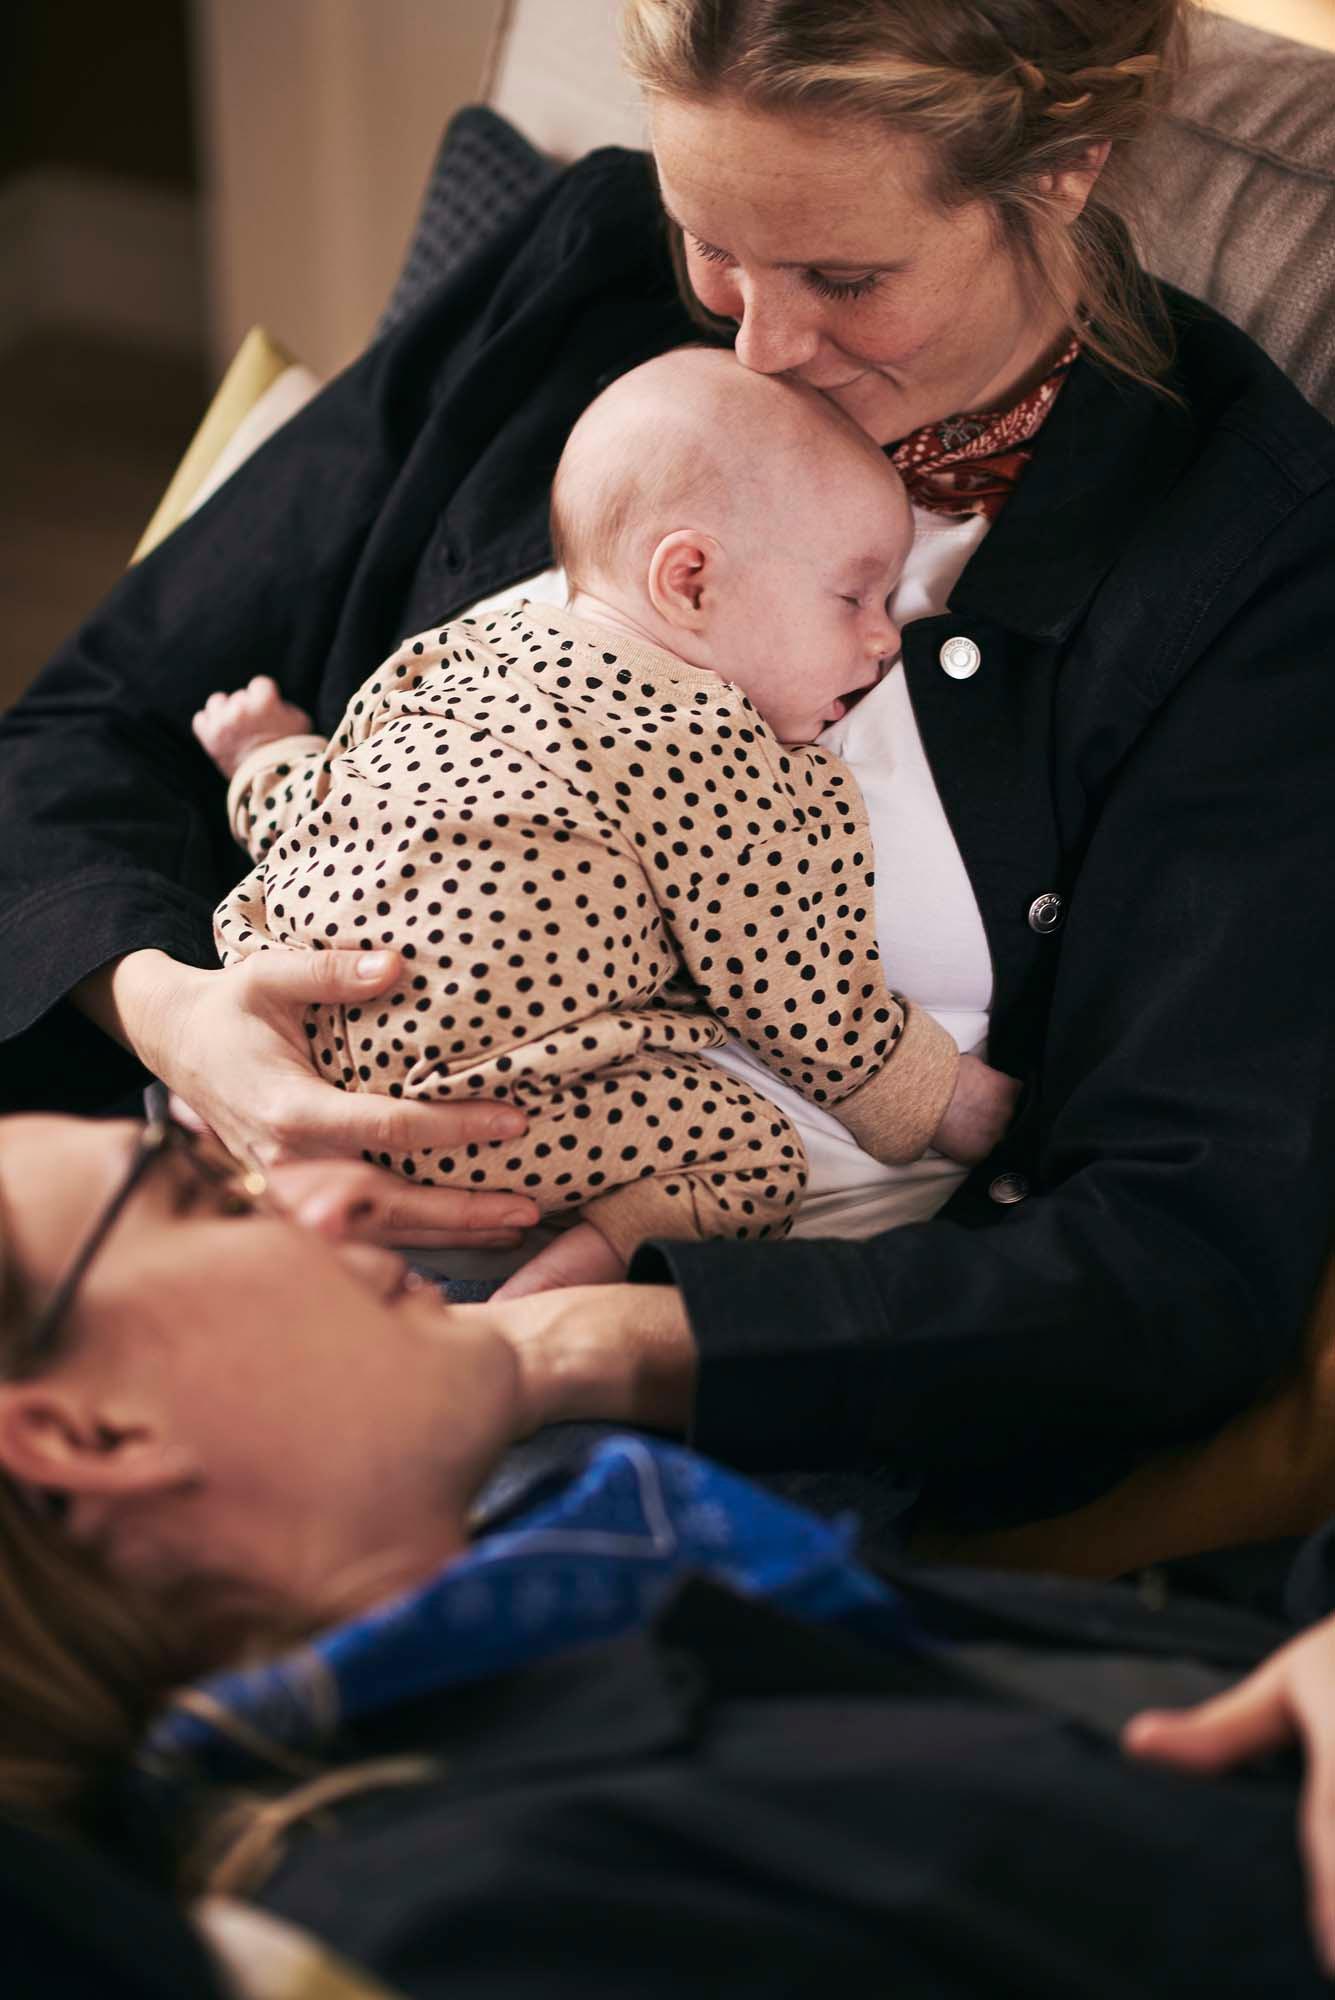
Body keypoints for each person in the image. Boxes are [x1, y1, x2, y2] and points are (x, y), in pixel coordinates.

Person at [1, 0, 1334, 1538]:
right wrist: (179, 1023)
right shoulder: (583, 280)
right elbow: (81, 727)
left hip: (619, 1436)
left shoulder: (1243, 563)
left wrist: (566, 1347)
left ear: (1063, 172)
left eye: (845, 276)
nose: (756, 342)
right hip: (174, 1206)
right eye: (712, 243)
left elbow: (1172, 1262)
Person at [0, 1097, 1333, 1998]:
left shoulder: (599, 1590)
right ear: (91, 1435)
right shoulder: (483, 1922)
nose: (331, 1190)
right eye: (207, 1199)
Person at [191, 348, 1015, 1297]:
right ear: (690, 581)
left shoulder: (457, 654)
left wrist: (262, 758)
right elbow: (791, 984)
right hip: (473, 1117)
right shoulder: (709, 744)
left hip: (286, 1059)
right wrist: (935, 1095)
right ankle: (571, 1276)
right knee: (753, 1155)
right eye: (852, 597)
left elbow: (331, 807)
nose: (882, 637)